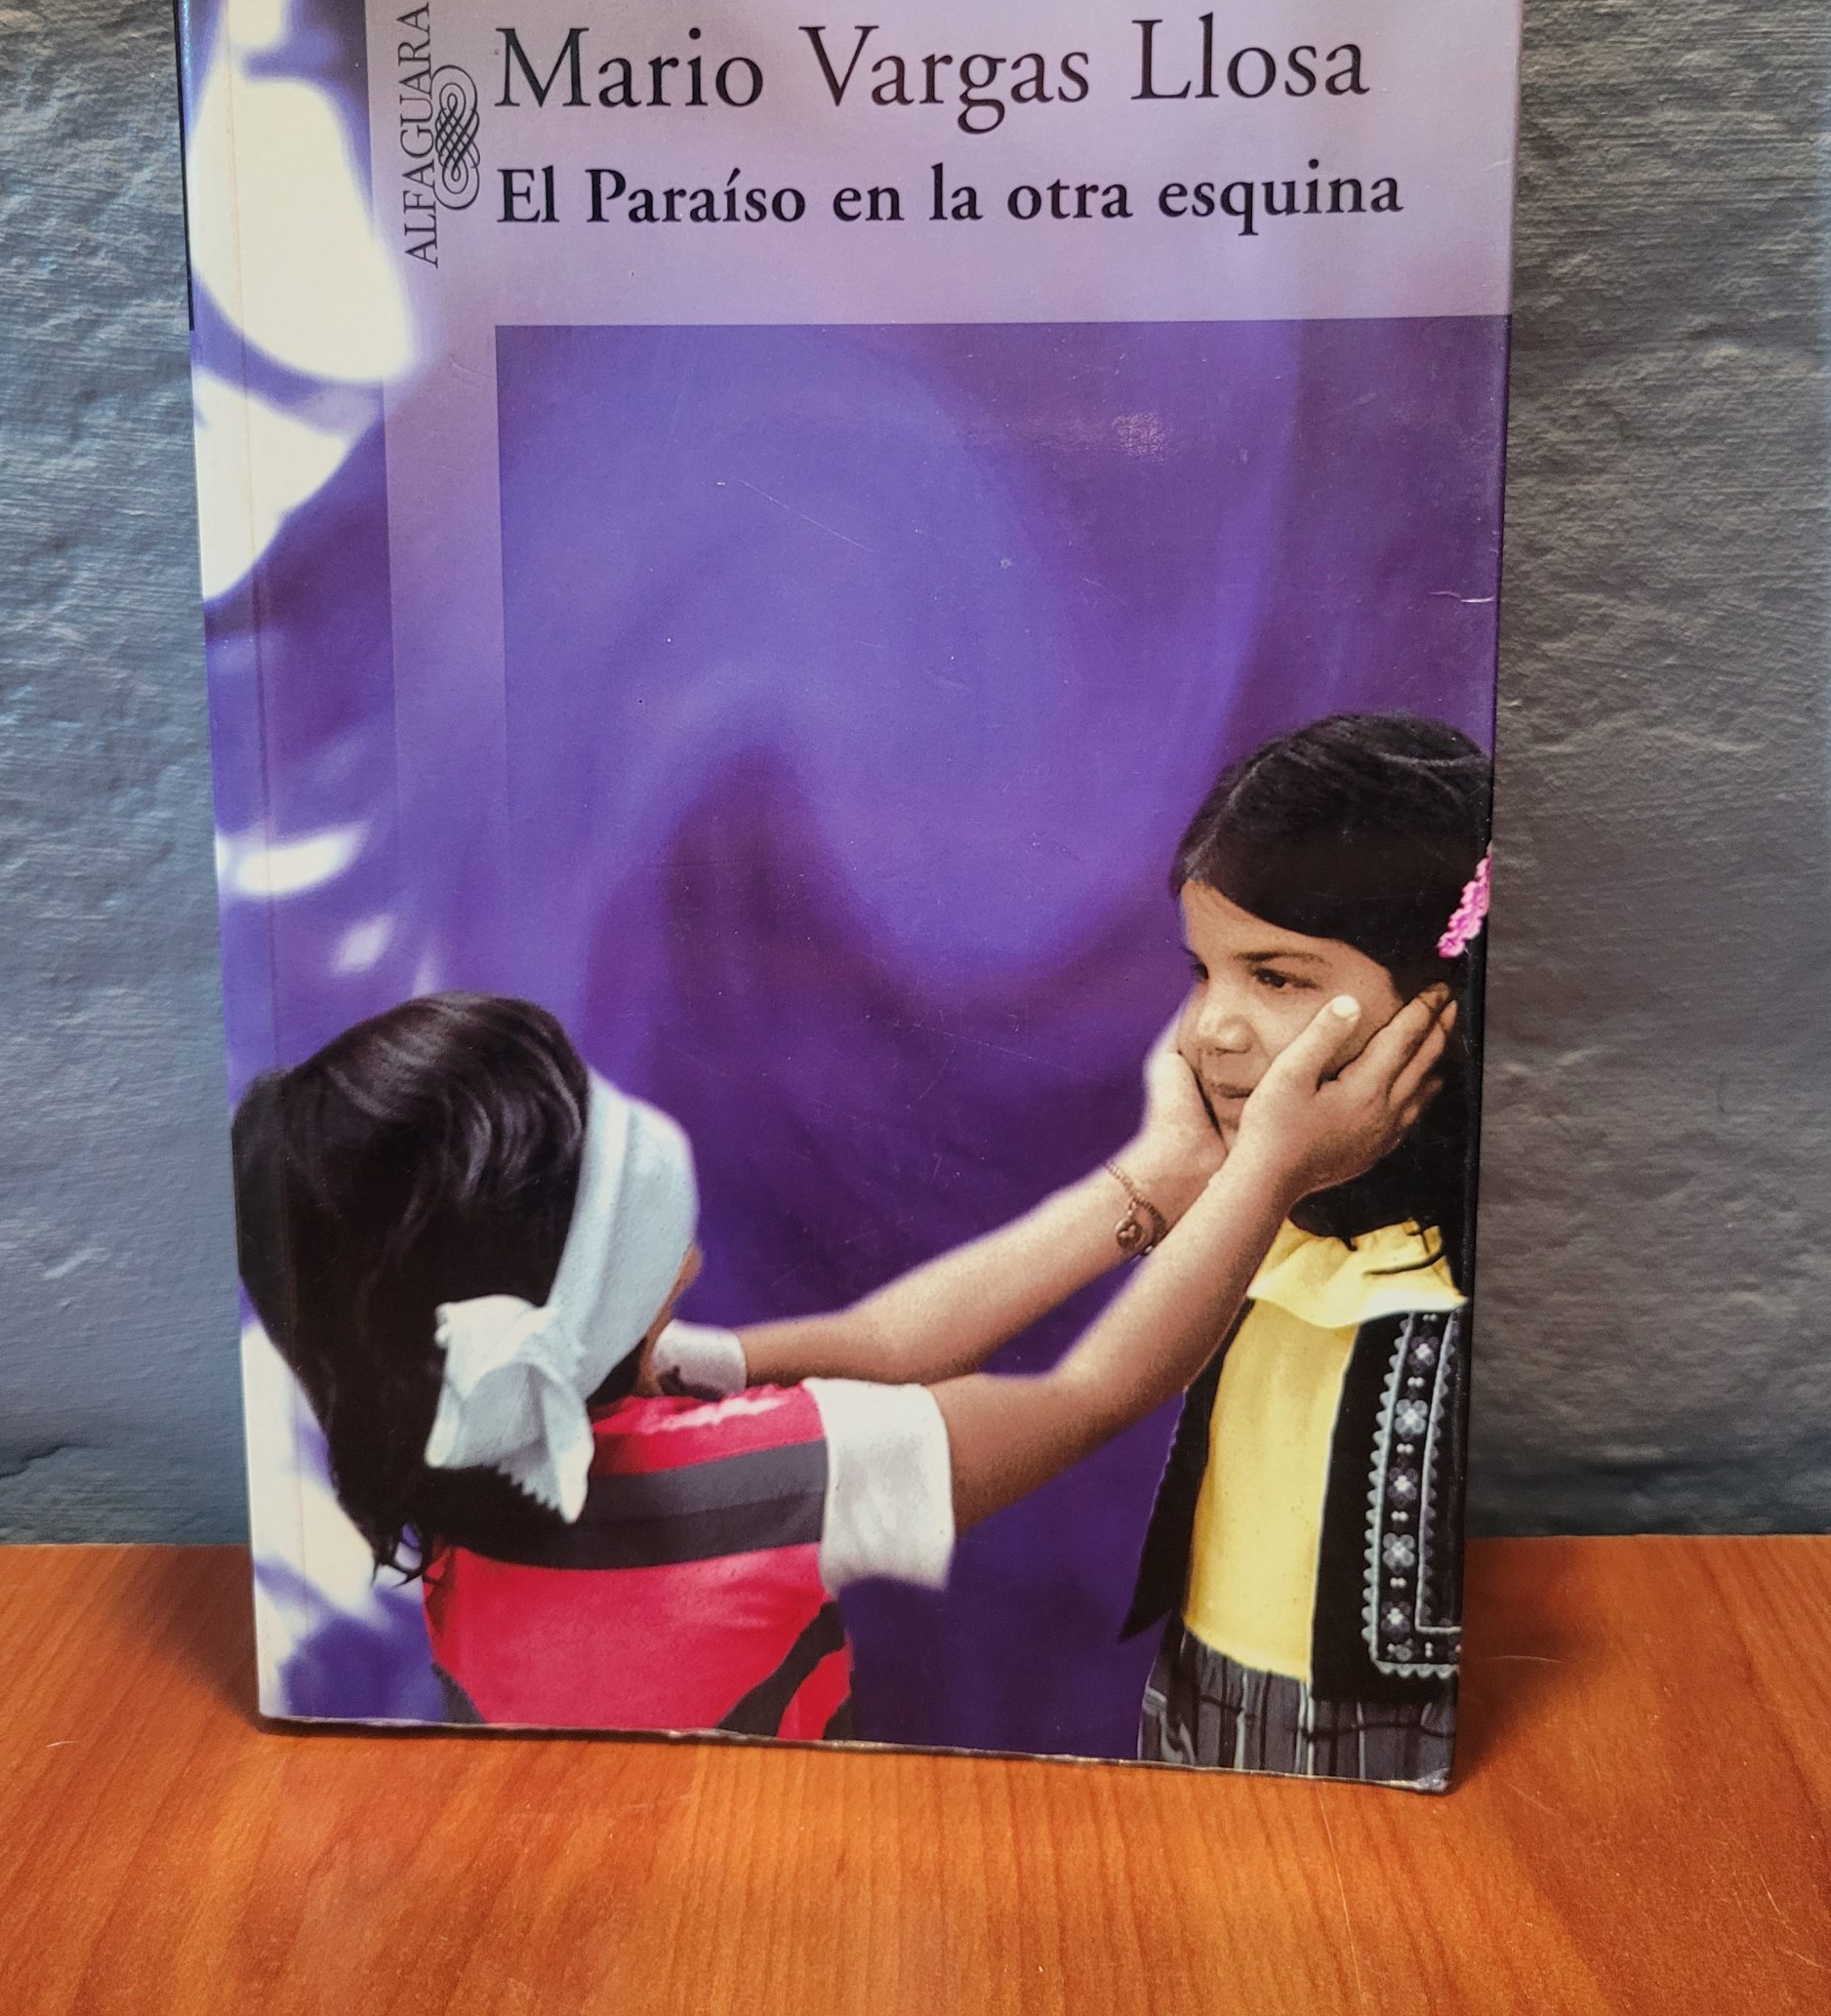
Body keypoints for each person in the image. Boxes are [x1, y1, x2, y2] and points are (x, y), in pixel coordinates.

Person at [232, 971, 1450, 1740]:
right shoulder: (777, 1474)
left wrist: (1156, 1177)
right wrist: (1270, 1166)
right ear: (582, 1256)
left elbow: (886, 1344)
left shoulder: (476, 1444)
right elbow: (1097, 1391)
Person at [1123, 711, 1492, 1789]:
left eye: (1275, 977)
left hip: (1383, 1722)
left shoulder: (1455, 1293)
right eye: (1204, 973)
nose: (1212, 1030)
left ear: (1438, 1006)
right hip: (1198, 1680)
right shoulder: (1254, 1227)